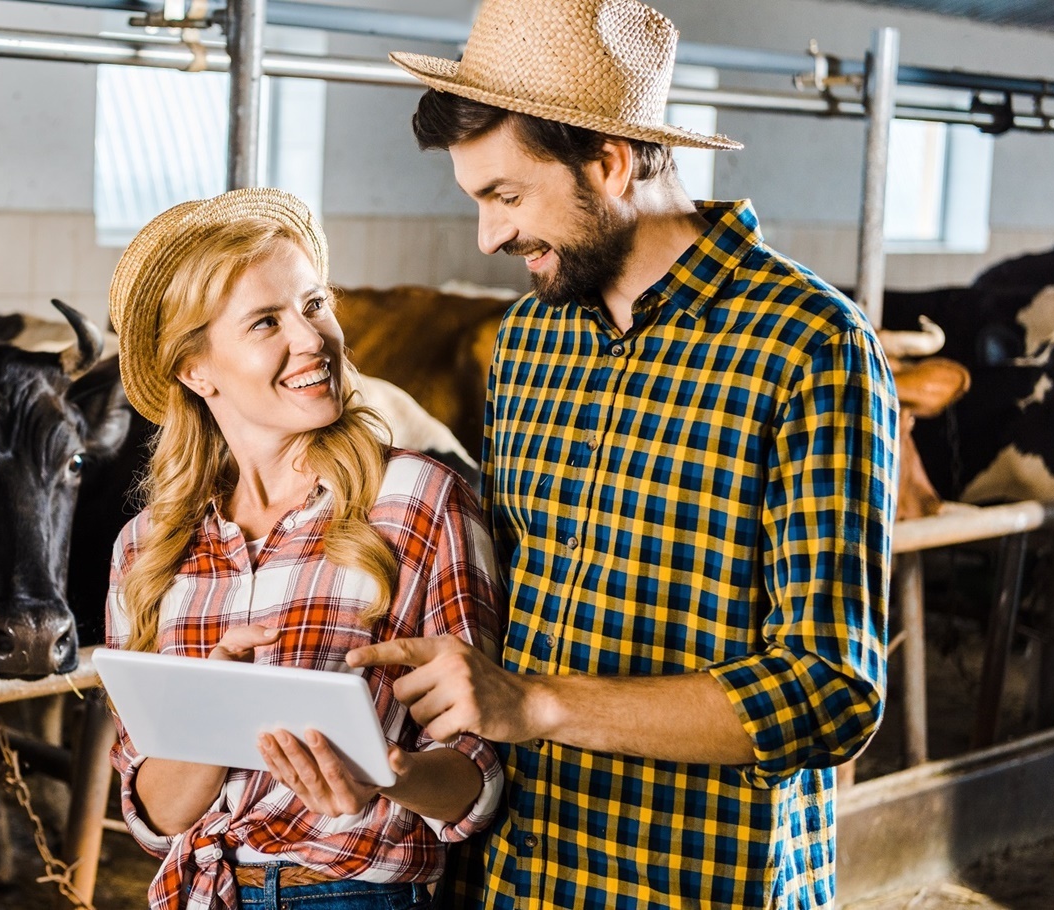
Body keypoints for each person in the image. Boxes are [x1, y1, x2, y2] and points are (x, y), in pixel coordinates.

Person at [346, 1, 902, 908]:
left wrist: (534, 704)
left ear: (607, 163)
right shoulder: (527, 341)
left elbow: (830, 691)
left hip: (699, 880)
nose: (488, 237)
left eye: (506, 196)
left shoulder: (808, 345)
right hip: (523, 874)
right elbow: (501, 617)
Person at [102, 187, 506, 910]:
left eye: (314, 305)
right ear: (196, 371)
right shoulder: (147, 550)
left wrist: (387, 775)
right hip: (198, 893)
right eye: (266, 322)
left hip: (353, 894)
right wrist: (209, 710)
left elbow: (476, 779)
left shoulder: (417, 499)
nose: (313, 339)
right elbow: (156, 817)